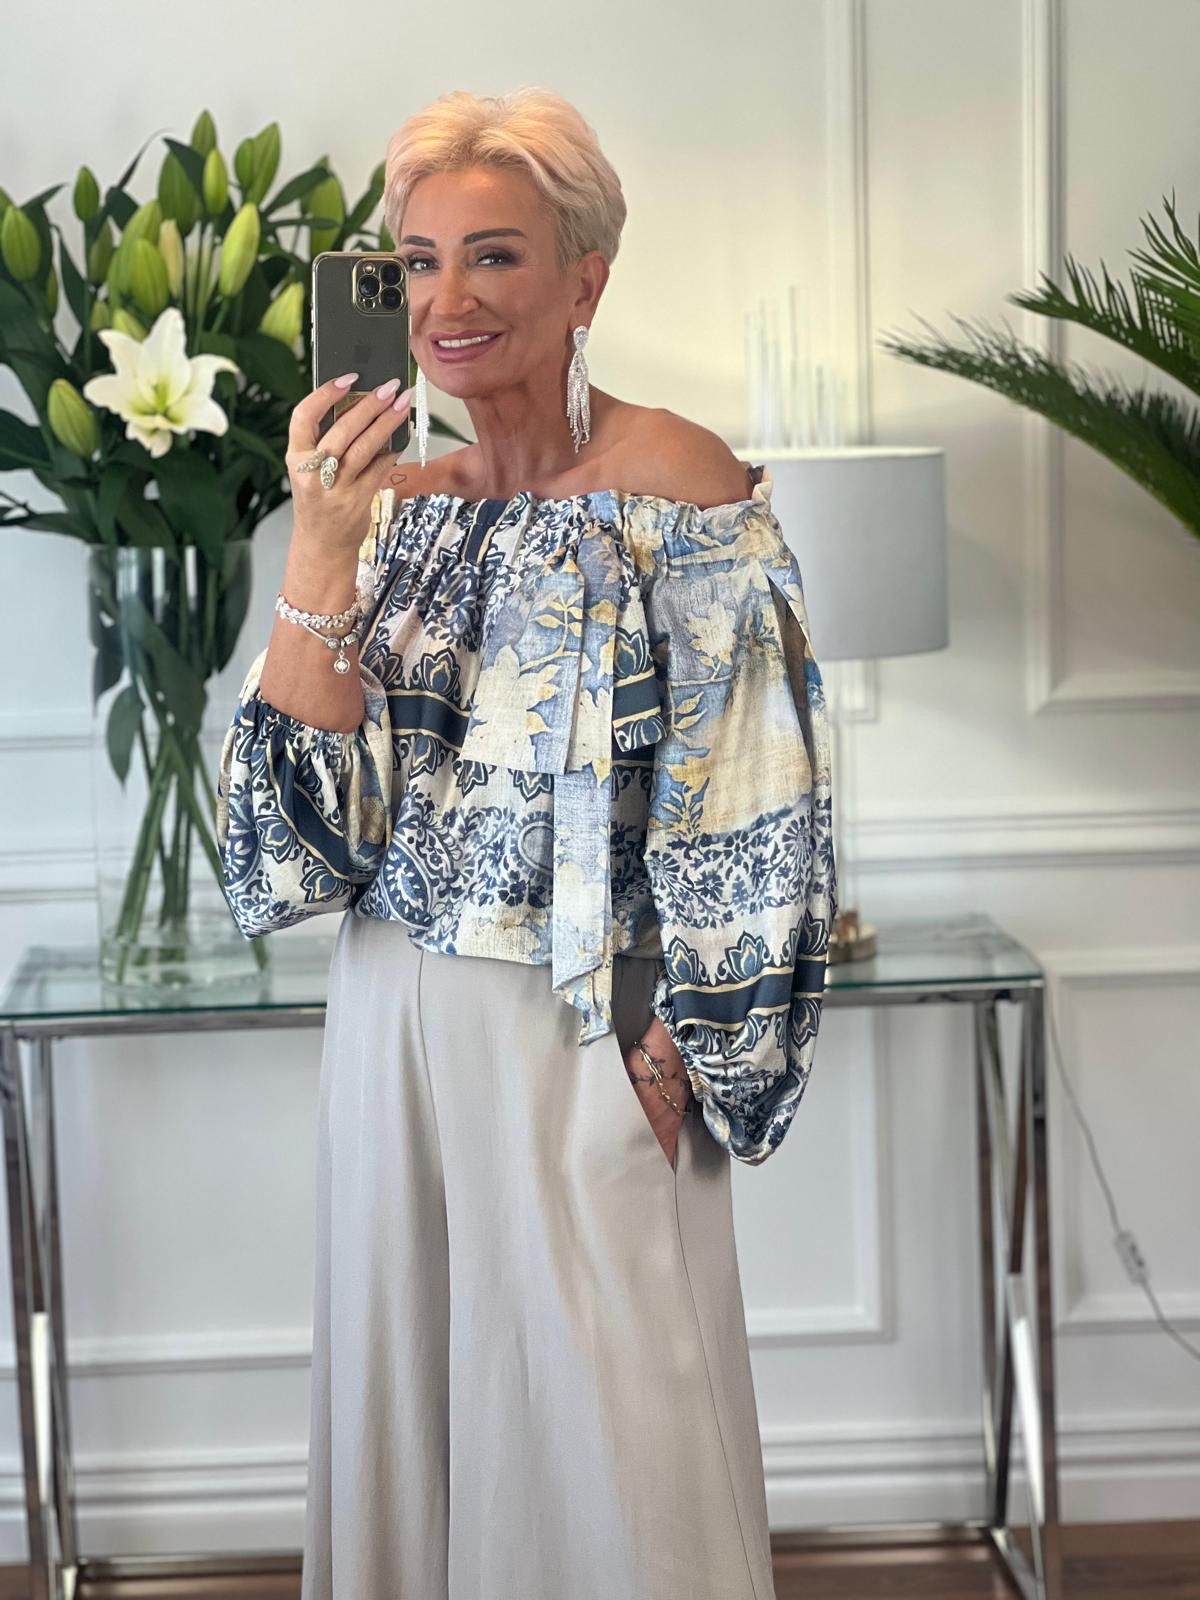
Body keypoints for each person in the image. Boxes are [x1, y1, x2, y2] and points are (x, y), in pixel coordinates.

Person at [216, 85, 836, 1600]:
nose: (449, 302)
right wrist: (320, 545)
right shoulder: (387, 514)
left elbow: (758, 801)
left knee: (626, 1465)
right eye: (418, 263)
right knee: (420, 1436)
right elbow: (284, 853)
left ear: (585, 279)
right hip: (392, 1032)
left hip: (589, 1032)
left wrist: (678, 1059)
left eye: (494, 256)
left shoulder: (680, 485)